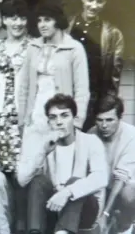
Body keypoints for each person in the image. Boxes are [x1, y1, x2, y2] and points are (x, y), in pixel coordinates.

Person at [17, 94, 108, 234]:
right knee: (38, 181)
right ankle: (35, 231)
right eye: (53, 118)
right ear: (48, 122)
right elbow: (22, 180)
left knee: (75, 181)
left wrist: (67, 192)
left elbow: (101, 178)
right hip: (54, 207)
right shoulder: (45, 144)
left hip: (84, 209)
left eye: (64, 116)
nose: (59, 122)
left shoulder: (91, 141)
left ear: (74, 119)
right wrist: (43, 152)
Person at [0, 0, 30, 233]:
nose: (18, 22)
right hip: (0, 119)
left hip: (22, 120)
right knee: (0, 176)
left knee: (20, 176)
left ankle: (21, 226)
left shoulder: (33, 47)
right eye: (12, 17)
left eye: (22, 17)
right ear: (4, 19)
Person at [17, 0, 90, 131]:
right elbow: (24, 87)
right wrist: (22, 118)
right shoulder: (33, 47)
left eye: (47, 20)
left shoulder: (74, 48)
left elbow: (82, 90)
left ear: (58, 20)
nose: (42, 25)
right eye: (39, 20)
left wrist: (77, 122)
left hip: (61, 116)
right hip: (36, 112)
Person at [67, 0, 124, 132]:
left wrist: (107, 106)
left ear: (105, 2)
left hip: (94, 101)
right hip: (67, 97)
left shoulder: (113, 34)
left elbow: (114, 77)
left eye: (99, 1)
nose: (93, 6)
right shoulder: (67, 28)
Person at [89, 95, 135, 234]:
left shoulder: (131, 134)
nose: (104, 125)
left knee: (127, 195)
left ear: (119, 118)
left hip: (130, 185)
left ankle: (129, 224)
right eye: (99, 120)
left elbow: (121, 177)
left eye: (109, 120)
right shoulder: (91, 134)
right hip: (105, 186)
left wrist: (105, 213)